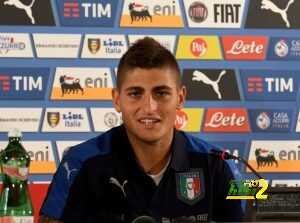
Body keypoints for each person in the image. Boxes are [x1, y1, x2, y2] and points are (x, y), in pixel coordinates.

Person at [39, 37, 244, 223]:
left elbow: (263, 198)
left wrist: (268, 195)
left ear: (180, 98)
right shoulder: (78, 163)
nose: (149, 108)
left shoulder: (220, 164)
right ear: (117, 99)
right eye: (135, 93)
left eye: (161, 93)